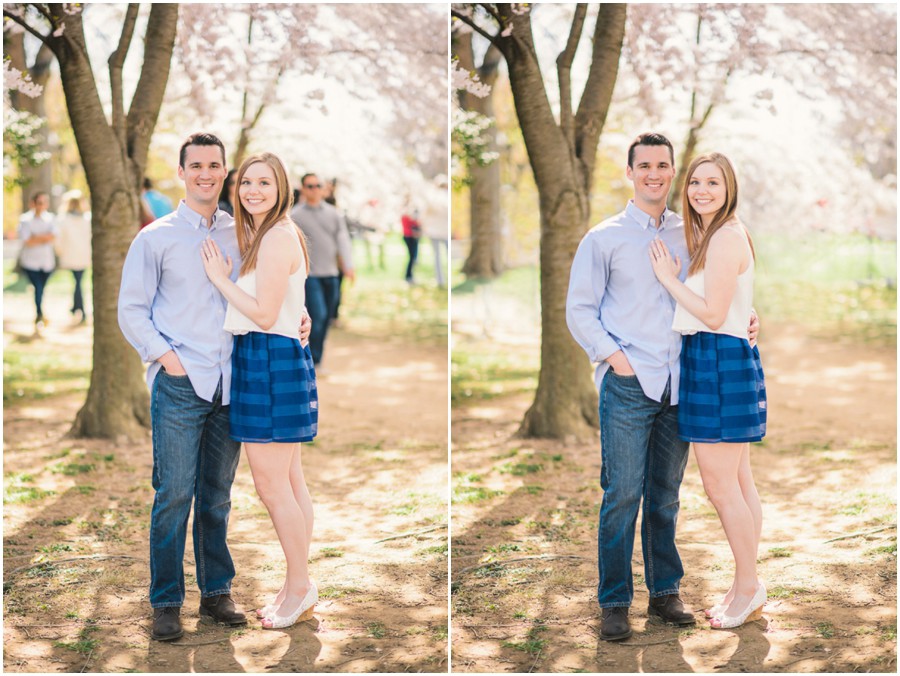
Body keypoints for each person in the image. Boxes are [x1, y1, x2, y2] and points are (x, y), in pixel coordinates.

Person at [118, 132, 311, 642]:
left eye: (215, 166)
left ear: (224, 172)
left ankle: (216, 592)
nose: (206, 173)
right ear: (181, 172)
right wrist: (167, 359)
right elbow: (131, 310)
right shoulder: (154, 236)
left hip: (235, 382)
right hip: (182, 382)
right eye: (196, 165)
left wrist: (300, 314)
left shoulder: (243, 231)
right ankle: (165, 600)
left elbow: (269, 288)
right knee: (173, 494)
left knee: (217, 497)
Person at [566, 132, 759, 641]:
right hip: (630, 383)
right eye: (644, 165)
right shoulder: (602, 237)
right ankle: (614, 601)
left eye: (663, 166)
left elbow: (718, 289)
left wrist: (748, 316)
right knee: (622, 494)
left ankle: (665, 593)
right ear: (630, 172)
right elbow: (579, 310)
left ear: (672, 173)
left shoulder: (692, 231)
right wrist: (616, 359)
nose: (654, 173)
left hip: (684, 383)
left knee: (666, 496)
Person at [648, 152, 767, 629]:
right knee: (739, 483)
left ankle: (748, 586)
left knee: (722, 487)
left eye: (712, 183)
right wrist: (750, 316)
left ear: (728, 188)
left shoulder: (723, 237)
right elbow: (732, 305)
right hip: (720, 357)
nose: (701, 190)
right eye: (695, 182)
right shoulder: (719, 235)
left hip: (718, 359)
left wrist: (667, 280)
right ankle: (745, 584)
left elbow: (713, 315)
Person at [200, 151, 318, 630]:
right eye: (246, 182)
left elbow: (265, 315)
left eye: (264, 183)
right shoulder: (272, 235)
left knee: (274, 487)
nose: (252, 190)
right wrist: (299, 318)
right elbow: (287, 306)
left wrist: (219, 280)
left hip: (269, 359)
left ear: (281, 188)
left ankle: (300, 585)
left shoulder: (274, 237)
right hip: (273, 356)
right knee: (291, 482)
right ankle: (297, 584)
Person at [291, 173, 355, 367]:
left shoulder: (334, 213)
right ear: (303, 188)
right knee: (317, 316)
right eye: (309, 186)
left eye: (317, 185)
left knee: (326, 317)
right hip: (310, 276)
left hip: (332, 274)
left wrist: (349, 265)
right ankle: (314, 359)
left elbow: (342, 239)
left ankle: (317, 355)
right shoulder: (295, 215)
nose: (314, 190)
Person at [17, 191, 57, 329]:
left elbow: (53, 236)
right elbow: (27, 241)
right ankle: (39, 314)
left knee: (41, 289)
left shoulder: (51, 218)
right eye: (39, 203)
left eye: (44, 202)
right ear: (33, 203)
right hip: (31, 263)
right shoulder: (25, 220)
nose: (42, 206)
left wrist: (36, 237)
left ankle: (40, 313)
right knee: (38, 288)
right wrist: (44, 237)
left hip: (47, 262)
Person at [54, 192, 91, 325]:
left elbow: (58, 239)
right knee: (78, 280)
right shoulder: (87, 218)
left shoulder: (63, 219)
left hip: (71, 254)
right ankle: (77, 307)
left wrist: (60, 252)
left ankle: (79, 308)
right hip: (84, 255)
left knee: (78, 281)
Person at [422, 176, 449, 288]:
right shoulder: (438, 198)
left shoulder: (432, 198)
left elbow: (425, 215)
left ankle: (441, 280)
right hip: (440, 231)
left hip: (437, 231)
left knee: (438, 256)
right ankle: (441, 280)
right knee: (441, 256)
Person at [400, 202, 421, 284]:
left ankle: (410, 276)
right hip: (409, 237)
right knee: (412, 257)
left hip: (413, 237)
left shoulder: (412, 215)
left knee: (414, 257)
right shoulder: (406, 215)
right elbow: (411, 225)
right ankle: (408, 276)